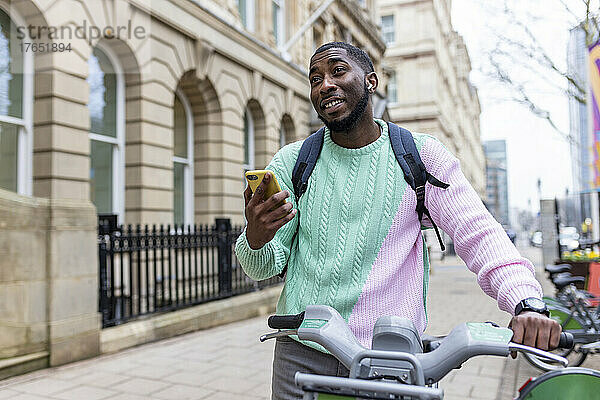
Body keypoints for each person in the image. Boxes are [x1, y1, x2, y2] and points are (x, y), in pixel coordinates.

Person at [235, 42, 561, 400]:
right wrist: (256, 235)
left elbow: (479, 233)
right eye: (315, 78)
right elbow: (261, 267)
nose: (324, 84)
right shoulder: (294, 160)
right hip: (303, 353)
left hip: (389, 356)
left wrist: (526, 301)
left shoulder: (419, 154)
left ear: (372, 81)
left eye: (338, 71)